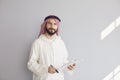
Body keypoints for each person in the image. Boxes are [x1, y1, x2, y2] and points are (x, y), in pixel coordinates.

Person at [27, 15, 76, 80]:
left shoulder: (61, 43)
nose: (52, 26)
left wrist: (69, 66)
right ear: (45, 25)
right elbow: (31, 64)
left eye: (55, 24)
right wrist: (46, 69)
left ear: (57, 26)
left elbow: (64, 61)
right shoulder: (38, 43)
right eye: (49, 23)